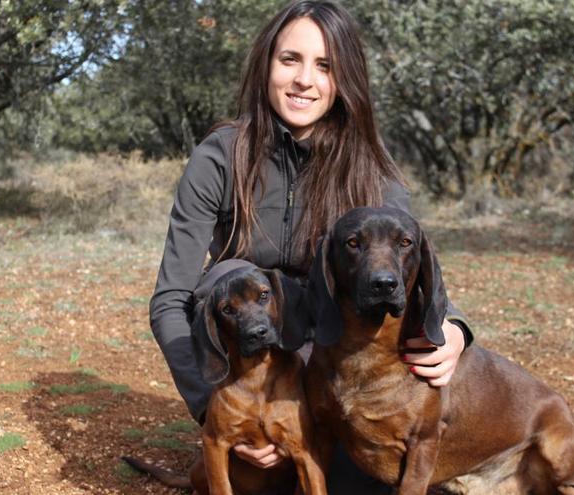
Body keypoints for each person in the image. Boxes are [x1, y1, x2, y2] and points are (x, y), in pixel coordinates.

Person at [149, 1, 473, 492]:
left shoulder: (373, 170)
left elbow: (409, 266)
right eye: (290, 60)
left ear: (345, 80)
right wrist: (209, 406)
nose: (304, 79)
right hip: (248, 363)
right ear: (266, 64)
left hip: (329, 362)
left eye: (324, 66)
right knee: (228, 273)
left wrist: (458, 330)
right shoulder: (219, 156)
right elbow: (172, 301)